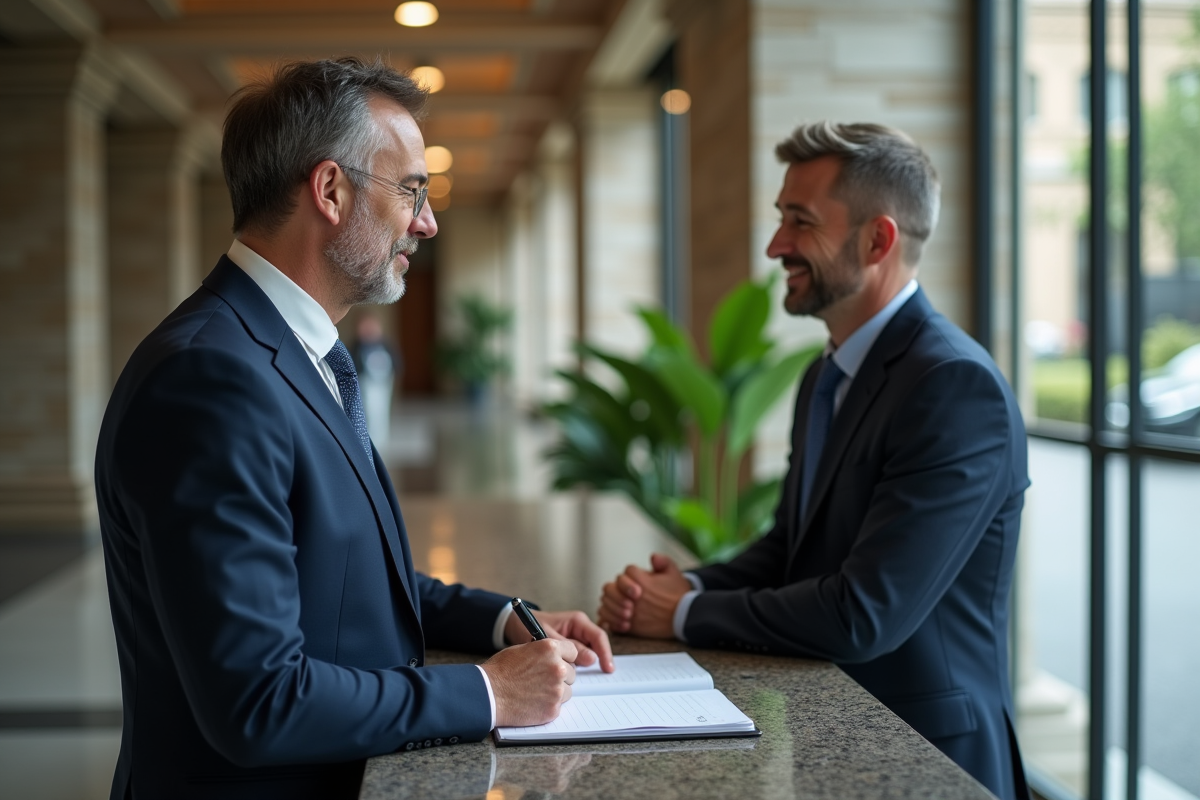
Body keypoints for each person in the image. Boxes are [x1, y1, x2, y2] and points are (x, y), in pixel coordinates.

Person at [94, 58, 612, 800]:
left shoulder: (288, 353)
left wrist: (504, 622)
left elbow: (342, 570)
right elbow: (258, 703)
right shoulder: (210, 379)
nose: (427, 222)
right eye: (411, 191)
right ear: (330, 190)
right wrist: (489, 694)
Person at [599, 122, 1031, 800]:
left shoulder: (953, 386)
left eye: (799, 223)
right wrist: (686, 585)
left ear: (878, 239)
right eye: (781, 220)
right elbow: (794, 550)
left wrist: (680, 616)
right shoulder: (826, 375)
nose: (776, 246)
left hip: (927, 760)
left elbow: (865, 613)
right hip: (834, 735)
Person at [352, 313, 399, 443]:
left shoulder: (385, 344)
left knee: (381, 411)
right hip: (366, 383)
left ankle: (381, 438)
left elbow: (396, 361)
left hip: (383, 383)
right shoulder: (357, 346)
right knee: (369, 410)